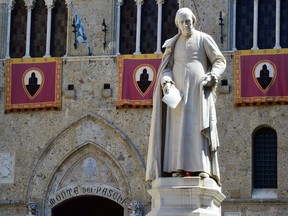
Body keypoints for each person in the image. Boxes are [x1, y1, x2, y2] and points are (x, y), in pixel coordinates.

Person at [146, 7, 226, 185]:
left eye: (188, 21)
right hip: (178, 95)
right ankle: (178, 168)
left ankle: (203, 168)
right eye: (182, 22)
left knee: (198, 127)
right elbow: (166, 68)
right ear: (177, 25)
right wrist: (166, 82)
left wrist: (213, 75)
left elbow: (219, 60)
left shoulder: (204, 39)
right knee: (177, 129)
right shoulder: (172, 44)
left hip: (199, 91)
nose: (185, 25)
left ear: (193, 21)